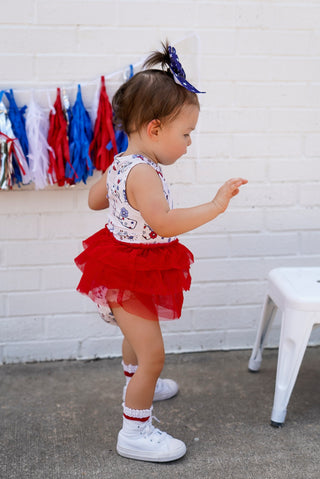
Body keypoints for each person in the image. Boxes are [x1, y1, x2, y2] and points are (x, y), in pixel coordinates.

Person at [75, 41, 247, 463]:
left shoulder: (121, 163)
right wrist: (215, 205)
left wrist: (115, 186)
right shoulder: (145, 175)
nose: (188, 143)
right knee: (154, 354)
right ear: (155, 129)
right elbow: (164, 223)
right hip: (130, 272)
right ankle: (135, 431)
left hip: (121, 266)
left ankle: (137, 380)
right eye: (185, 134)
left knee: (137, 344)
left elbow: (95, 201)